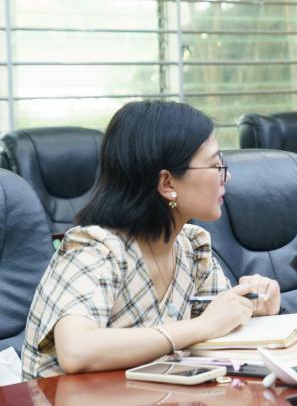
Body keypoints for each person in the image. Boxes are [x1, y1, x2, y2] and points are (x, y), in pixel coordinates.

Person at [22, 101, 281, 380]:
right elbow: (76, 351)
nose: (226, 176)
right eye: (215, 165)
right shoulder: (94, 248)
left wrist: (256, 307)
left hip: (151, 402)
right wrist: (203, 325)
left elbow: (221, 326)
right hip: (69, 405)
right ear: (168, 184)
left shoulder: (192, 247)